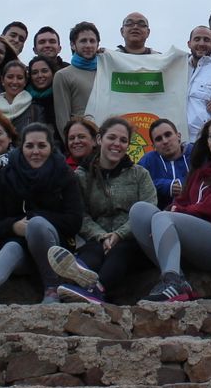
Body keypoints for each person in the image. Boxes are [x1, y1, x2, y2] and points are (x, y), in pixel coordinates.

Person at [128, 113, 211, 302]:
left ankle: (173, 282)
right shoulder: (200, 172)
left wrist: (172, 214)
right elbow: (181, 201)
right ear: (206, 141)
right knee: (140, 211)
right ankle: (175, 276)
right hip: (192, 244)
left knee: (162, 218)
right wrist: (171, 213)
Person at [0, 123, 85, 306]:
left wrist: (35, 218)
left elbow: (74, 221)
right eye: (29, 146)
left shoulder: (64, 175)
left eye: (41, 146)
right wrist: (13, 226)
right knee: (12, 245)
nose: (35, 151)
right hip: (19, 252)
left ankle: (52, 289)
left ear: (51, 148)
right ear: (22, 148)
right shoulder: (7, 176)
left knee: (37, 224)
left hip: (54, 249)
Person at [48, 117, 159, 304]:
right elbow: (80, 214)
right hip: (97, 240)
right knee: (92, 253)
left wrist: (119, 235)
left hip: (134, 241)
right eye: (112, 138)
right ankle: (78, 275)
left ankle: (94, 290)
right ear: (99, 139)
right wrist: (102, 236)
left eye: (123, 140)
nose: (117, 144)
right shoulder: (81, 175)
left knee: (120, 251)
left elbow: (150, 208)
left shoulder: (139, 174)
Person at [53, 22, 100, 142]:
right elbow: (62, 118)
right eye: (83, 41)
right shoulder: (63, 75)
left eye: (92, 41)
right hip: (80, 143)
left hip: (106, 141)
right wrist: (70, 146)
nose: (88, 45)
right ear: (73, 45)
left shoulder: (106, 71)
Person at [139, 117, 190, 209]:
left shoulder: (195, 153)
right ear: (154, 146)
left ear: (178, 136)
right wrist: (166, 186)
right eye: (159, 139)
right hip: (159, 215)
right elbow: (136, 185)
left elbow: (209, 177)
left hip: (195, 213)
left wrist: (183, 184)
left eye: (168, 135)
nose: (165, 141)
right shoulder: (148, 160)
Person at [0, 59, 48, 130]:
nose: (15, 82)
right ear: (2, 80)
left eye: (20, 78)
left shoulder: (36, 110)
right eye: (10, 77)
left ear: (25, 82)